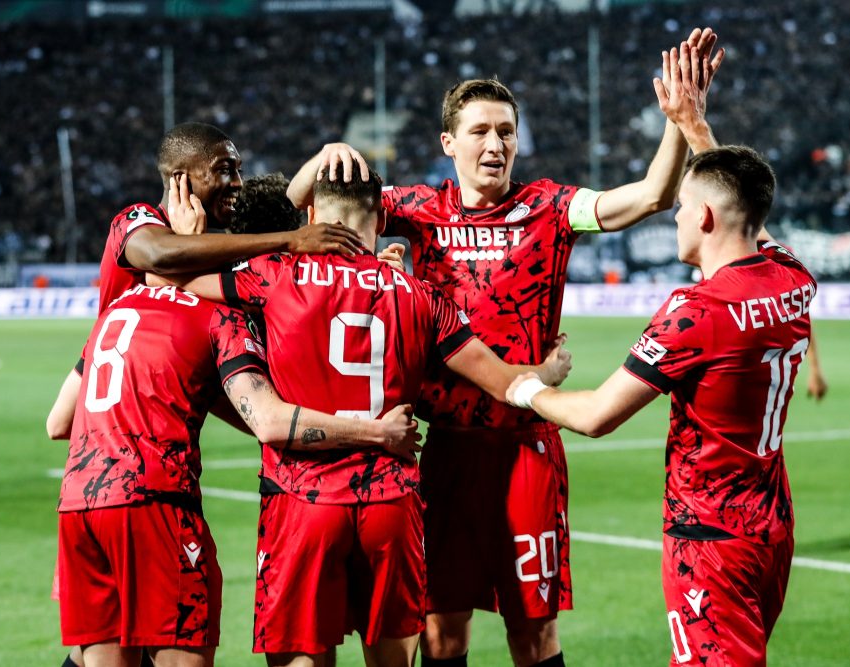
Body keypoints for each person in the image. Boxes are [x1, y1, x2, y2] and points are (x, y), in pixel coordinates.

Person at [286, 30, 723, 667]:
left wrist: (681, 121)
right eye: (481, 131)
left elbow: (652, 196)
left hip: (527, 448)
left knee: (534, 634)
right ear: (448, 143)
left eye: (507, 131)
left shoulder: (549, 206)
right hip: (445, 454)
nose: (496, 144)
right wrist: (321, 157)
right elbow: (306, 208)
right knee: (440, 634)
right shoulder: (413, 208)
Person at [158, 162, 571, 667]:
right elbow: (503, 381)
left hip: (302, 499)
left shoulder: (274, 276)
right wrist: (545, 373)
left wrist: (188, 236)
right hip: (390, 504)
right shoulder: (421, 296)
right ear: (379, 218)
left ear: (311, 215)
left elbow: (171, 274)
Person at [50, 122, 364, 667]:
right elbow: (165, 254)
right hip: (151, 489)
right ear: (180, 181)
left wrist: (315, 171)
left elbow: (59, 421)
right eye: (224, 169)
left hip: (89, 472)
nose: (237, 181)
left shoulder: (151, 295)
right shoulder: (143, 225)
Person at [505, 145, 814, 666]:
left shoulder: (697, 311)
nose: (676, 215)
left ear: (706, 217)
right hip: (770, 527)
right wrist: (696, 129)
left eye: (683, 205)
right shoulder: (793, 278)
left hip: (710, 538)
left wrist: (525, 389)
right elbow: (748, 210)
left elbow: (597, 415)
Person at [58, 279, 420, 667]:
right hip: (154, 502)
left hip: (79, 502)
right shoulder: (216, 314)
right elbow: (268, 422)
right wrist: (377, 432)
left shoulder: (117, 307)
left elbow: (57, 422)